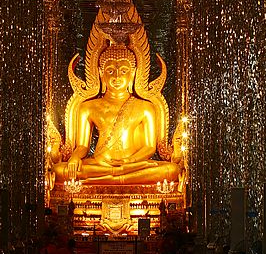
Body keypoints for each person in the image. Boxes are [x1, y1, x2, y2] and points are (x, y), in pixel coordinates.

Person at [54, 44, 181, 185]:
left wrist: (129, 161)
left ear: (133, 73)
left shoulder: (146, 107)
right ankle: (116, 176)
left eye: (123, 71)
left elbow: (149, 147)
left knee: (171, 170)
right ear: (101, 73)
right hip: (101, 164)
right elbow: (83, 146)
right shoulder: (87, 107)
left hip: (132, 165)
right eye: (110, 71)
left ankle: (114, 177)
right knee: (59, 171)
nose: (117, 76)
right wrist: (75, 158)